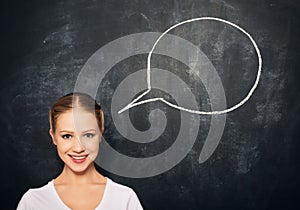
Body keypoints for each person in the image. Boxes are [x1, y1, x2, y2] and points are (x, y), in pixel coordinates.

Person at [17, 92, 144, 210]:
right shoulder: (32, 203)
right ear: (53, 137)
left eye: (88, 135)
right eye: (67, 136)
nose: (78, 148)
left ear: (100, 134)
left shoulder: (125, 199)